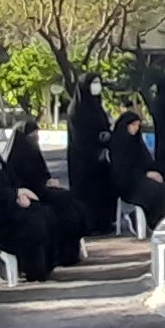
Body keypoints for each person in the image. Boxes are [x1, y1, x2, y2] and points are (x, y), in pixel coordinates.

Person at [0, 131, 60, 281]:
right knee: (35, 223)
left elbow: (9, 182)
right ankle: (32, 270)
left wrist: (18, 194)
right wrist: (14, 195)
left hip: (8, 210)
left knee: (45, 212)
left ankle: (44, 266)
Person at [4, 117, 89, 264]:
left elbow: (41, 174)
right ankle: (61, 255)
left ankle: (69, 253)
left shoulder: (32, 151)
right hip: (30, 197)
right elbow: (18, 182)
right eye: (32, 135)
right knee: (62, 208)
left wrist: (48, 181)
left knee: (71, 202)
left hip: (42, 192)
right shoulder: (15, 156)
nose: (35, 138)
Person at [109, 108, 165, 230]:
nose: (136, 128)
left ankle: (161, 220)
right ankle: (149, 221)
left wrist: (157, 172)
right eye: (133, 125)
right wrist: (145, 174)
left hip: (142, 179)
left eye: (138, 125)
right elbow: (122, 170)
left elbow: (147, 161)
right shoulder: (117, 144)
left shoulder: (137, 142)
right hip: (129, 184)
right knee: (155, 191)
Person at [65, 74, 118, 234]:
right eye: (94, 82)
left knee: (104, 191)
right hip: (83, 161)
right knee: (87, 194)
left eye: (99, 82)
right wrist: (96, 146)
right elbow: (80, 138)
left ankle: (104, 223)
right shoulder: (76, 110)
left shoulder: (97, 106)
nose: (97, 86)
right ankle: (89, 226)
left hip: (101, 161)